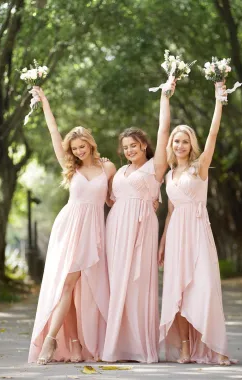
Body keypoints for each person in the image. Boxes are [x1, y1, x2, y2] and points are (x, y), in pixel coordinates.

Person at [28, 87, 116, 364]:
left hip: (93, 231)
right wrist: (45, 102)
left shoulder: (108, 168)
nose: (78, 151)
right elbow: (54, 133)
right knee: (67, 285)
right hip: (69, 227)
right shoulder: (72, 168)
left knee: (76, 289)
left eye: (82, 146)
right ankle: (56, 342)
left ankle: (71, 343)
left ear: (91, 144)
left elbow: (115, 197)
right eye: (74, 148)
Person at [102, 79, 176, 363]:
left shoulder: (154, 167)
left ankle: (140, 347)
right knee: (116, 283)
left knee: (138, 284)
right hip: (115, 230)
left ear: (144, 144)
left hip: (142, 228)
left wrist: (165, 96)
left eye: (134, 145)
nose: (130, 150)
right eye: (126, 147)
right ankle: (115, 346)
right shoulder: (119, 171)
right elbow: (109, 200)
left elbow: (164, 130)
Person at [158, 82, 232, 365]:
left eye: (185, 141)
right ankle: (186, 349)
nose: (180, 145)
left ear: (191, 145)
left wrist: (218, 100)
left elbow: (213, 133)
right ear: (171, 145)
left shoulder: (199, 166)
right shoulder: (169, 176)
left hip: (198, 232)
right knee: (177, 291)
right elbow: (169, 212)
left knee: (205, 287)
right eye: (176, 141)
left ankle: (218, 348)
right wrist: (163, 243)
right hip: (176, 234)